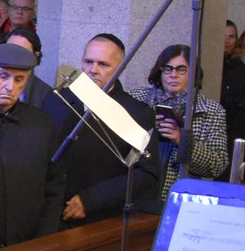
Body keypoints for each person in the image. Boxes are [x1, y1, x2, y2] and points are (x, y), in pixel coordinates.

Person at [0, 43, 67, 251]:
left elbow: (54, 185)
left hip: (27, 243)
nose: (10, 86)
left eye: (19, 80)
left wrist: (44, 238)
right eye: (3, 76)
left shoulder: (41, 124)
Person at [44, 33, 159, 224]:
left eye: (103, 64)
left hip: (100, 215)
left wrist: (91, 200)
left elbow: (145, 174)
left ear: (120, 69)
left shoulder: (137, 113)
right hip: (51, 213)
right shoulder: (55, 100)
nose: (92, 70)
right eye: (88, 62)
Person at [133, 43, 229, 197]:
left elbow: (218, 165)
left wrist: (181, 139)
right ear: (160, 71)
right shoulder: (138, 98)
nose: (173, 75)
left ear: (193, 73)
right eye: (168, 68)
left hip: (180, 195)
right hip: (137, 191)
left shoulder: (211, 110)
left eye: (181, 69)